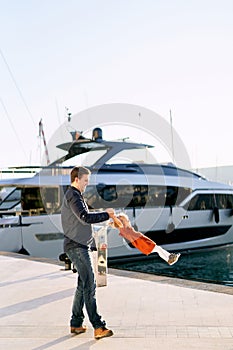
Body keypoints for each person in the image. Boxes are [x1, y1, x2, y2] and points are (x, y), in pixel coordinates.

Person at [61, 166, 115, 340]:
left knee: (82, 285)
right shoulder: (73, 195)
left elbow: (84, 217)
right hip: (76, 247)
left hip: (78, 245)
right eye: (85, 181)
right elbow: (84, 217)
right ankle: (98, 326)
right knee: (90, 284)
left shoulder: (75, 195)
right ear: (77, 179)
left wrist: (104, 218)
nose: (86, 184)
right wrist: (106, 214)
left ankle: (76, 323)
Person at [110, 213, 180, 265]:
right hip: (139, 239)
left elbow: (116, 224)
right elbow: (120, 221)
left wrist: (113, 218)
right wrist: (114, 217)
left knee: (157, 249)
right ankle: (169, 258)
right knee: (157, 248)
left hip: (138, 241)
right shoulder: (125, 226)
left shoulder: (122, 228)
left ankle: (169, 258)